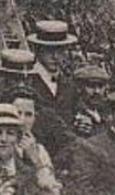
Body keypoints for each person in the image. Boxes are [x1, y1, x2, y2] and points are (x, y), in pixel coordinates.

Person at [25, 18, 78, 158]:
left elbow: (76, 110)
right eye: (49, 51)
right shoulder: (27, 81)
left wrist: (83, 119)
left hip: (66, 154)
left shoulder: (69, 84)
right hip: (35, 152)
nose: (55, 57)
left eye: (60, 51)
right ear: (38, 50)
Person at [71, 61, 111, 137]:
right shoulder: (72, 111)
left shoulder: (107, 110)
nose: (97, 91)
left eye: (100, 86)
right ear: (79, 88)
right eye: (91, 86)